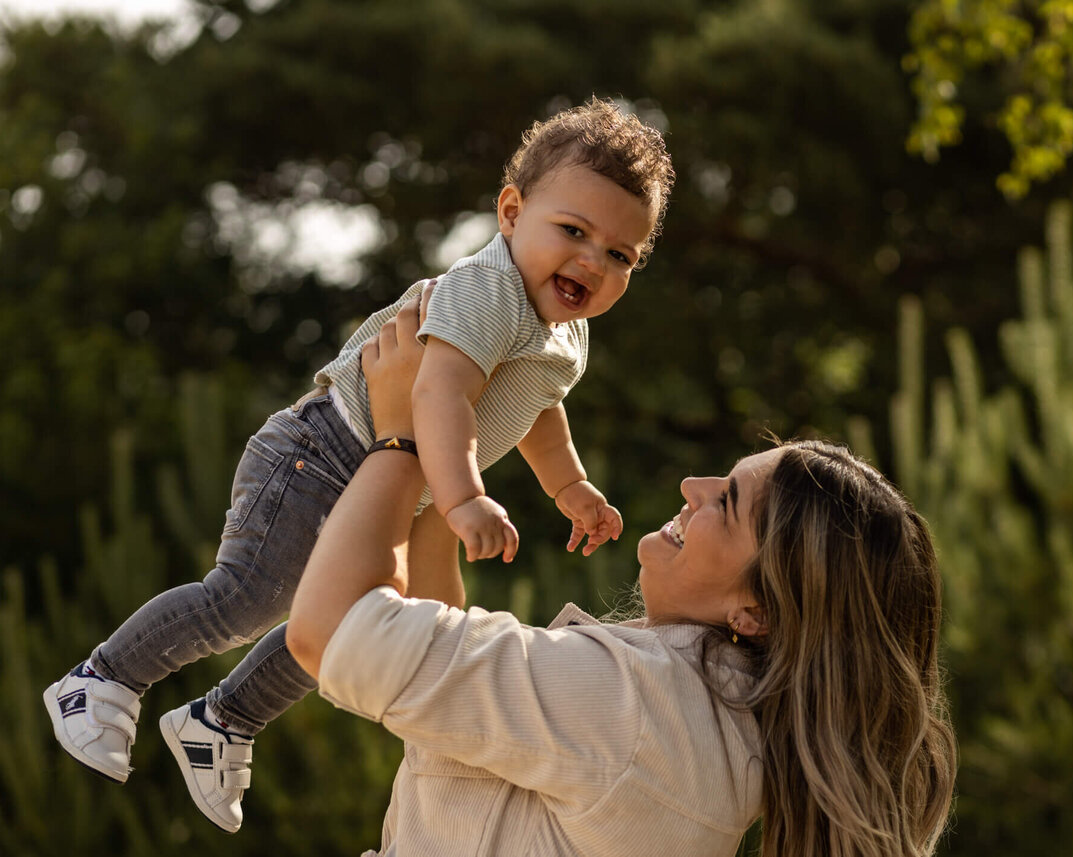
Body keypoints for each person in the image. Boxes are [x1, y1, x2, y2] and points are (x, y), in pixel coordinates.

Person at [42, 97, 675, 833]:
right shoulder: (489, 287)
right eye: (573, 231)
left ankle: (221, 723)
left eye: (620, 255)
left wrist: (569, 485)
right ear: (511, 212)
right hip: (321, 453)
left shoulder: (564, 335)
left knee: (354, 623)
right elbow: (437, 388)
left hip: (385, 483)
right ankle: (102, 679)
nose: (592, 262)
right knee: (247, 596)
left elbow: (539, 405)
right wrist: (463, 496)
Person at [284, 293, 958, 857]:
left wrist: (399, 436)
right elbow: (445, 679)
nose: (692, 486)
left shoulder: (634, 706)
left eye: (725, 502)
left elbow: (327, 630)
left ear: (756, 613)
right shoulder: (703, 724)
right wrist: (444, 454)